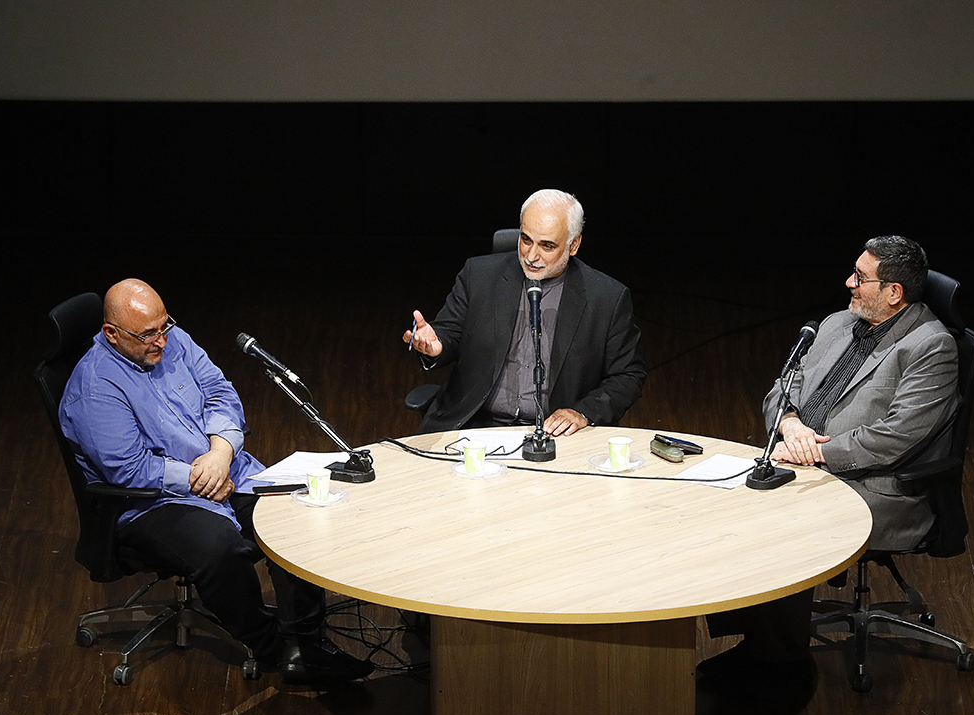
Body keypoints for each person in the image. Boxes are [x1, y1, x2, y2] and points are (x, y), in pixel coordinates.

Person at [59, 279, 373, 684]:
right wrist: (200, 478)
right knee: (220, 547)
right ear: (112, 335)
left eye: (163, 326)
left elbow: (221, 393)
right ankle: (271, 644)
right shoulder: (94, 388)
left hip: (221, 468)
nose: (160, 342)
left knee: (295, 513)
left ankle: (307, 638)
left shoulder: (175, 340)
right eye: (147, 335)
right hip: (152, 501)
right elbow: (129, 470)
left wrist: (221, 454)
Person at [700, 235, 960, 682]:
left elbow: (896, 438)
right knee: (727, 499)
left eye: (861, 277)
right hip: (801, 454)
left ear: (894, 292)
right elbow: (784, 385)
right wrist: (791, 425)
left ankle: (777, 660)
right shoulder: (839, 322)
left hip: (879, 485)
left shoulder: (931, 348)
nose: (849, 283)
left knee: (780, 518)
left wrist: (816, 453)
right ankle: (755, 639)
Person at [403, 189, 645, 435]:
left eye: (546, 246)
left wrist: (583, 412)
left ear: (574, 245)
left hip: (555, 434)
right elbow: (448, 332)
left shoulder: (606, 297)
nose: (531, 256)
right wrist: (437, 346)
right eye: (526, 240)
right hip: (475, 424)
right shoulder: (479, 275)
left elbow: (627, 375)